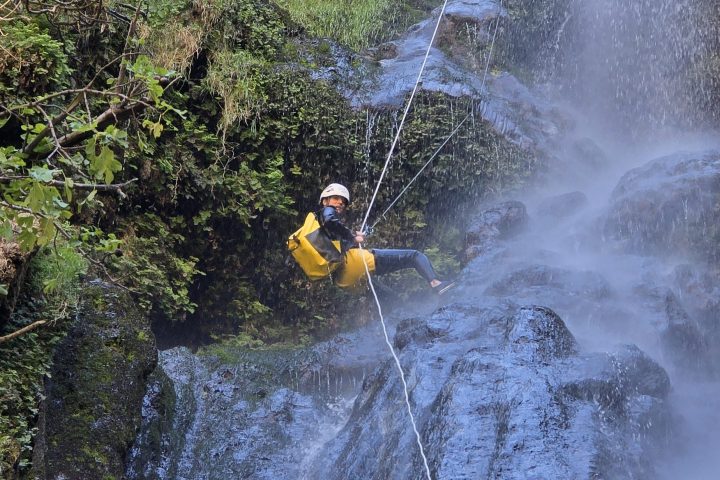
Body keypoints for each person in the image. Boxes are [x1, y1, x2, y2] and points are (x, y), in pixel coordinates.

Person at [317, 183, 455, 295]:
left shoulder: (318, 229)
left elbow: (338, 245)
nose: (340, 203)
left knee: (389, 299)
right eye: (336, 198)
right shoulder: (327, 212)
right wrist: (352, 236)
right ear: (325, 201)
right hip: (355, 264)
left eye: (343, 201)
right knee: (413, 256)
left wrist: (353, 240)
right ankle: (436, 284)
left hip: (343, 280)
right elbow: (330, 220)